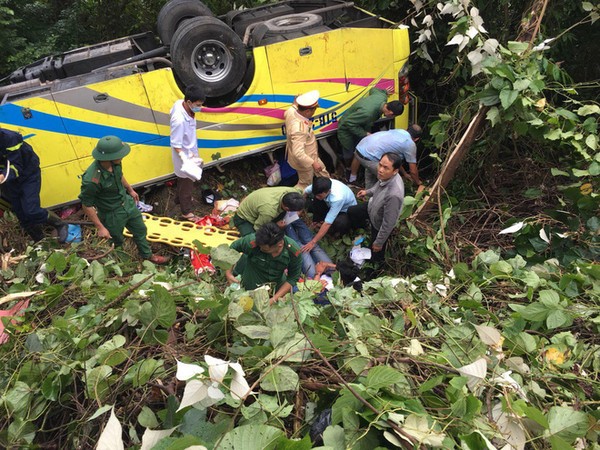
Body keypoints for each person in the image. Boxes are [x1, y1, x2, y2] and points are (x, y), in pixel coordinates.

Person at [79, 136, 169, 264]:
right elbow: (86, 205)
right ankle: (119, 264)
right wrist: (100, 227)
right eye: (119, 154)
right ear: (108, 157)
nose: (122, 157)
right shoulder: (92, 180)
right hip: (112, 214)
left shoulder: (115, 163)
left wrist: (130, 190)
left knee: (140, 229)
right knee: (116, 241)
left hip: (127, 204)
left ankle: (148, 255)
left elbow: (119, 175)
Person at [0, 128, 68, 242]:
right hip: (9, 181)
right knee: (22, 216)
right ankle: (41, 242)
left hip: (27, 174)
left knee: (31, 210)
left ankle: (60, 224)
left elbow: (16, 166)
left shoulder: (10, 138)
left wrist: (2, 177)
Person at [348, 152, 405, 265]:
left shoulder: (394, 194)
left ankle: (375, 269)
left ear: (395, 171)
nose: (380, 170)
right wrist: (367, 192)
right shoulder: (386, 176)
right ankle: (363, 229)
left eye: (385, 168)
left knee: (376, 251)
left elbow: (388, 223)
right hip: (372, 207)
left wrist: (379, 242)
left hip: (378, 222)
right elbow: (379, 184)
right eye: (380, 165)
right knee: (352, 211)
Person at [226, 222, 303, 305]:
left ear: (280, 244)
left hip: (276, 290)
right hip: (249, 287)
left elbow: (293, 278)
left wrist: (274, 299)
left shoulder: (292, 251)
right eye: (260, 247)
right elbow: (232, 248)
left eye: (265, 250)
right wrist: (228, 273)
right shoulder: (253, 241)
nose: (261, 249)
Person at [337, 86, 404, 179]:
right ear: (390, 112)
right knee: (349, 151)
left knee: (362, 147)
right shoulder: (368, 113)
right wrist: (365, 134)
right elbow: (349, 123)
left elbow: (373, 89)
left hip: (361, 124)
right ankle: (348, 170)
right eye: (393, 116)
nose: (391, 118)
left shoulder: (382, 97)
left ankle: (355, 169)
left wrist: (384, 91)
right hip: (346, 129)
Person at [170, 85, 206, 221]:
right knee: (187, 183)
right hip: (184, 156)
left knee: (183, 181)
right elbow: (176, 144)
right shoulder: (179, 121)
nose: (200, 108)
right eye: (198, 105)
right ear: (189, 102)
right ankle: (186, 212)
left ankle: (178, 200)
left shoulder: (180, 103)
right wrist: (186, 160)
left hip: (190, 150)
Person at [352, 125, 423, 188]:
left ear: (406, 129)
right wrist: (418, 182)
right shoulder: (410, 144)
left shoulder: (398, 131)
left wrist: (405, 174)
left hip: (360, 149)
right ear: (416, 139)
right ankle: (384, 199)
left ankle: (368, 196)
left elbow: (394, 160)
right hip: (369, 157)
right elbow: (413, 171)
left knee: (372, 172)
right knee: (392, 180)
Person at [302, 177, 361, 253]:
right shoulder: (318, 186)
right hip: (329, 204)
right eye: (316, 194)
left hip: (345, 210)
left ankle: (334, 232)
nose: (317, 196)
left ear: (329, 191)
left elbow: (328, 223)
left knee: (340, 223)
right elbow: (305, 193)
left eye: (319, 195)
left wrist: (312, 242)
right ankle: (318, 221)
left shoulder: (337, 198)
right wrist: (300, 208)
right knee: (314, 201)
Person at [285, 90, 329, 190]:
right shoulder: (299, 129)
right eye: (314, 110)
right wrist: (312, 163)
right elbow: (298, 153)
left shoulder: (292, 113)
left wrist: (296, 103)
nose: (314, 112)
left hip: (312, 156)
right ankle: (294, 199)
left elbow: (290, 109)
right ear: (307, 111)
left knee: (323, 174)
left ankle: (328, 188)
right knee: (304, 184)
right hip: (306, 161)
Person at [232, 186, 305, 236]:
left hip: (261, 204)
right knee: (253, 240)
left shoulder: (293, 192)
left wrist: (298, 212)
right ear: (287, 208)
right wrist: (276, 226)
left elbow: (302, 192)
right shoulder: (269, 211)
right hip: (245, 218)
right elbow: (258, 228)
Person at [283, 211, 333, 279]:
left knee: (301, 250)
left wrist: (318, 274)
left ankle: (284, 222)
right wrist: (327, 264)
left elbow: (315, 289)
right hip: (331, 272)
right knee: (313, 245)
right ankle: (291, 214)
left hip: (316, 279)